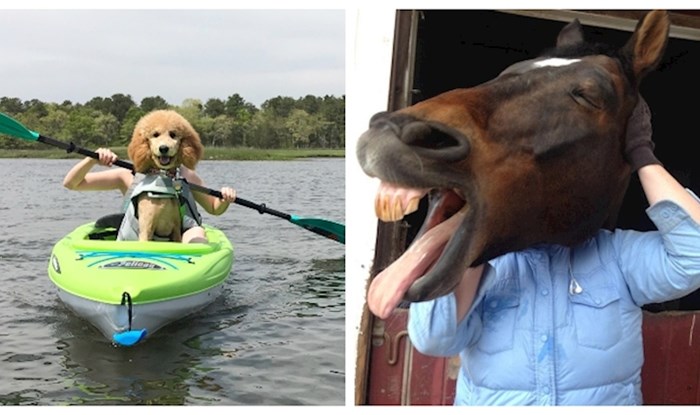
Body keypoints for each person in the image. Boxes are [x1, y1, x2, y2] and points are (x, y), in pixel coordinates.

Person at [407, 97, 700, 405]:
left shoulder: (615, 255)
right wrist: (478, 215)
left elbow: (694, 255)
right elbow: (433, 336)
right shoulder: (485, 259)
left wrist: (641, 155)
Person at [62, 149, 237, 243]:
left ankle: (194, 273)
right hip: (137, 235)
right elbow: (72, 183)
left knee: (198, 231)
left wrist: (224, 199)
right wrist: (91, 160)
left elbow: (214, 208)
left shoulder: (186, 175)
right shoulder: (127, 175)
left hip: (180, 236)